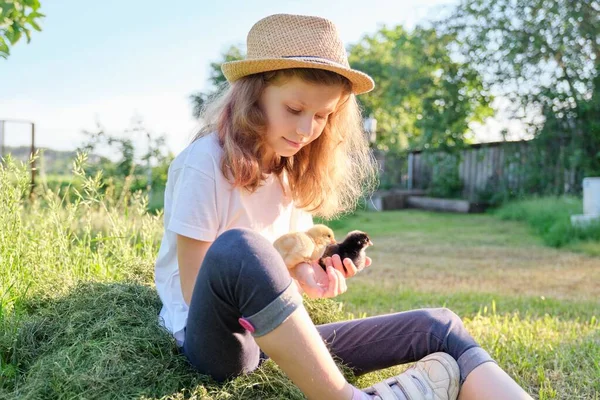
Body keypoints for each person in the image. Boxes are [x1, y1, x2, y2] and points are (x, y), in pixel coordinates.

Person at [154, 13, 533, 400]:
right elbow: (194, 286)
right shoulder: (204, 162)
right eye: (294, 109)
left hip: (276, 341)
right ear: (254, 96)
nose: (306, 130)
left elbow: (287, 258)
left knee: (440, 326)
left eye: (322, 116)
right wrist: (271, 276)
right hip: (219, 343)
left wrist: (307, 275)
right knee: (240, 247)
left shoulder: (288, 173)